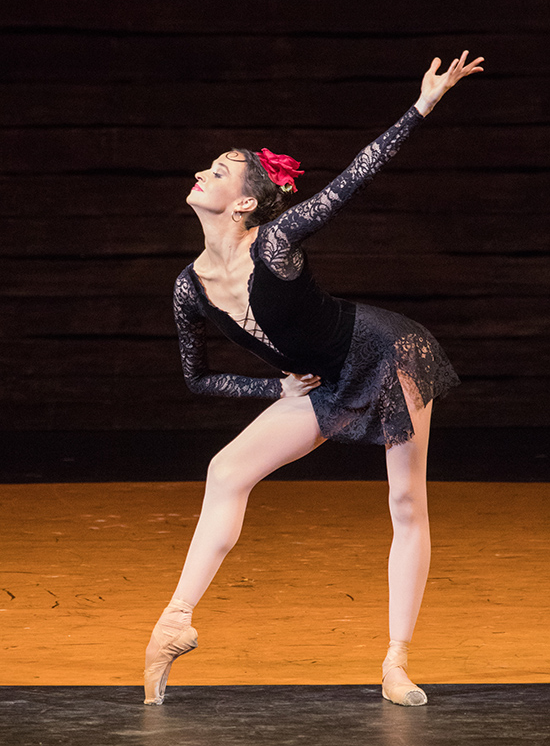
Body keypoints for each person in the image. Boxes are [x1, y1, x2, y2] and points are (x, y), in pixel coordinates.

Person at [144, 51, 484, 706]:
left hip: (388, 355)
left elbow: (354, 177)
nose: (199, 172)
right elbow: (196, 378)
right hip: (320, 382)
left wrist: (422, 106)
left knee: (406, 503)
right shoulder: (189, 289)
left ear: (244, 200)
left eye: (216, 171)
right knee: (225, 469)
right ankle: (175, 620)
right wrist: (275, 388)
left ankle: (395, 661)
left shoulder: (273, 244)